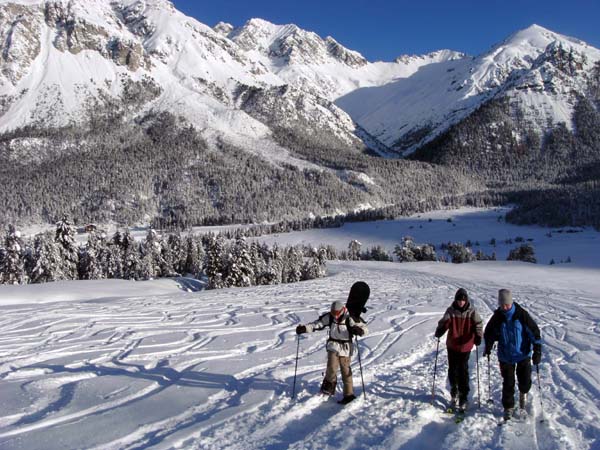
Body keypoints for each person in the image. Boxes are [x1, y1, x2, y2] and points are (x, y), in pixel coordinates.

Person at [484, 289, 542, 420]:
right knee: (508, 382)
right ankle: (508, 407)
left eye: (507, 304)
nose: (505, 307)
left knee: (525, 381)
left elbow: (534, 332)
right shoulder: (497, 317)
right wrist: (488, 346)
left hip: (522, 354)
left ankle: (523, 394)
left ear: (511, 302)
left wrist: (537, 349)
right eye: (502, 305)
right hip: (505, 356)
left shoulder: (521, 315)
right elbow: (489, 333)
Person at [296, 299, 368, 404]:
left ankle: (349, 395)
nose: (335, 315)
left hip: (346, 348)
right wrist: (304, 328)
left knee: (346, 371)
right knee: (331, 367)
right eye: (333, 313)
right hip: (333, 346)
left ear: (343, 310)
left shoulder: (350, 318)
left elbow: (364, 328)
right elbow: (318, 324)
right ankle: (328, 388)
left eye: (337, 313)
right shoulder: (329, 317)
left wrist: (360, 330)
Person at [434, 288, 483, 411]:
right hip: (453, 345)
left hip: (466, 346)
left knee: (463, 370)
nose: (461, 302)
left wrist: (478, 336)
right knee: (453, 370)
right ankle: (454, 393)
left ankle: (464, 396)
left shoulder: (472, 312)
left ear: (466, 300)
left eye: (463, 300)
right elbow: (445, 322)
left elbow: (478, 324)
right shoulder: (451, 311)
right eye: (458, 300)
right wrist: (440, 330)